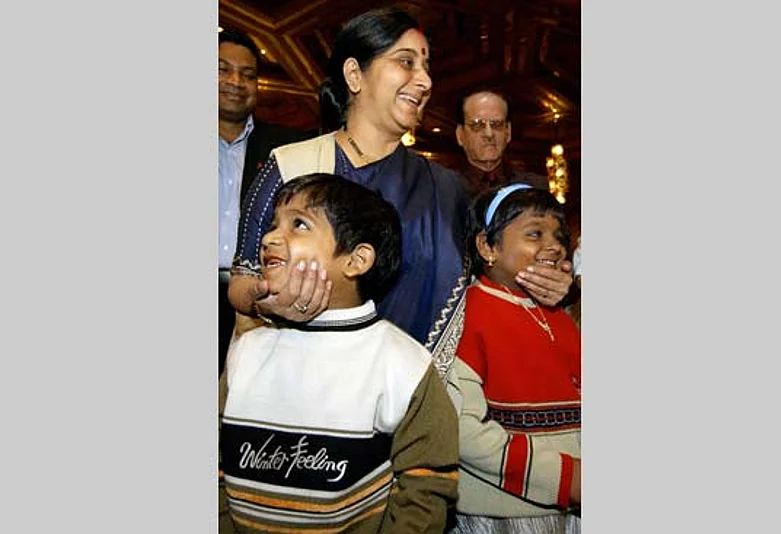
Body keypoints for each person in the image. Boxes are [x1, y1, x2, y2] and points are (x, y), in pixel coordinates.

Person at [226, 7, 574, 378]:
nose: (424, 81)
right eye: (406, 62)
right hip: (302, 382)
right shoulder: (291, 165)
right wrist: (267, 301)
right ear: (354, 74)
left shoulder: (446, 189)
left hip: (415, 389)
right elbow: (242, 280)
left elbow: (493, 272)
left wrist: (550, 283)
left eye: (426, 67)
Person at [220, 173, 459, 532]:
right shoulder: (247, 350)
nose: (269, 238)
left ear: (356, 260)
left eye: (299, 224)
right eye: (273, 225)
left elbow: (427, 487)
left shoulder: (402, 364)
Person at [446, 183, 581, 533]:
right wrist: (566, 478)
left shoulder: (560, 316)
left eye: (559, 236)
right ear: (487, 247)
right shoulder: (468, 315)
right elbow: (464, 431)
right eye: (535, 234)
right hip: (506, 512)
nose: (554, 246)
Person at [218, 28, 314, 375]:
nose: (235, 82)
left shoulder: (286, 149)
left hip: (260, 301)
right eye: (223, 70)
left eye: (247, 75)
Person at [455, 88, 550, 198]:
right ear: (460, 135)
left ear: (508, 132)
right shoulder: (444, 189)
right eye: (477, 125)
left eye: (497, 124)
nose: (489, 134)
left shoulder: (535, 187)